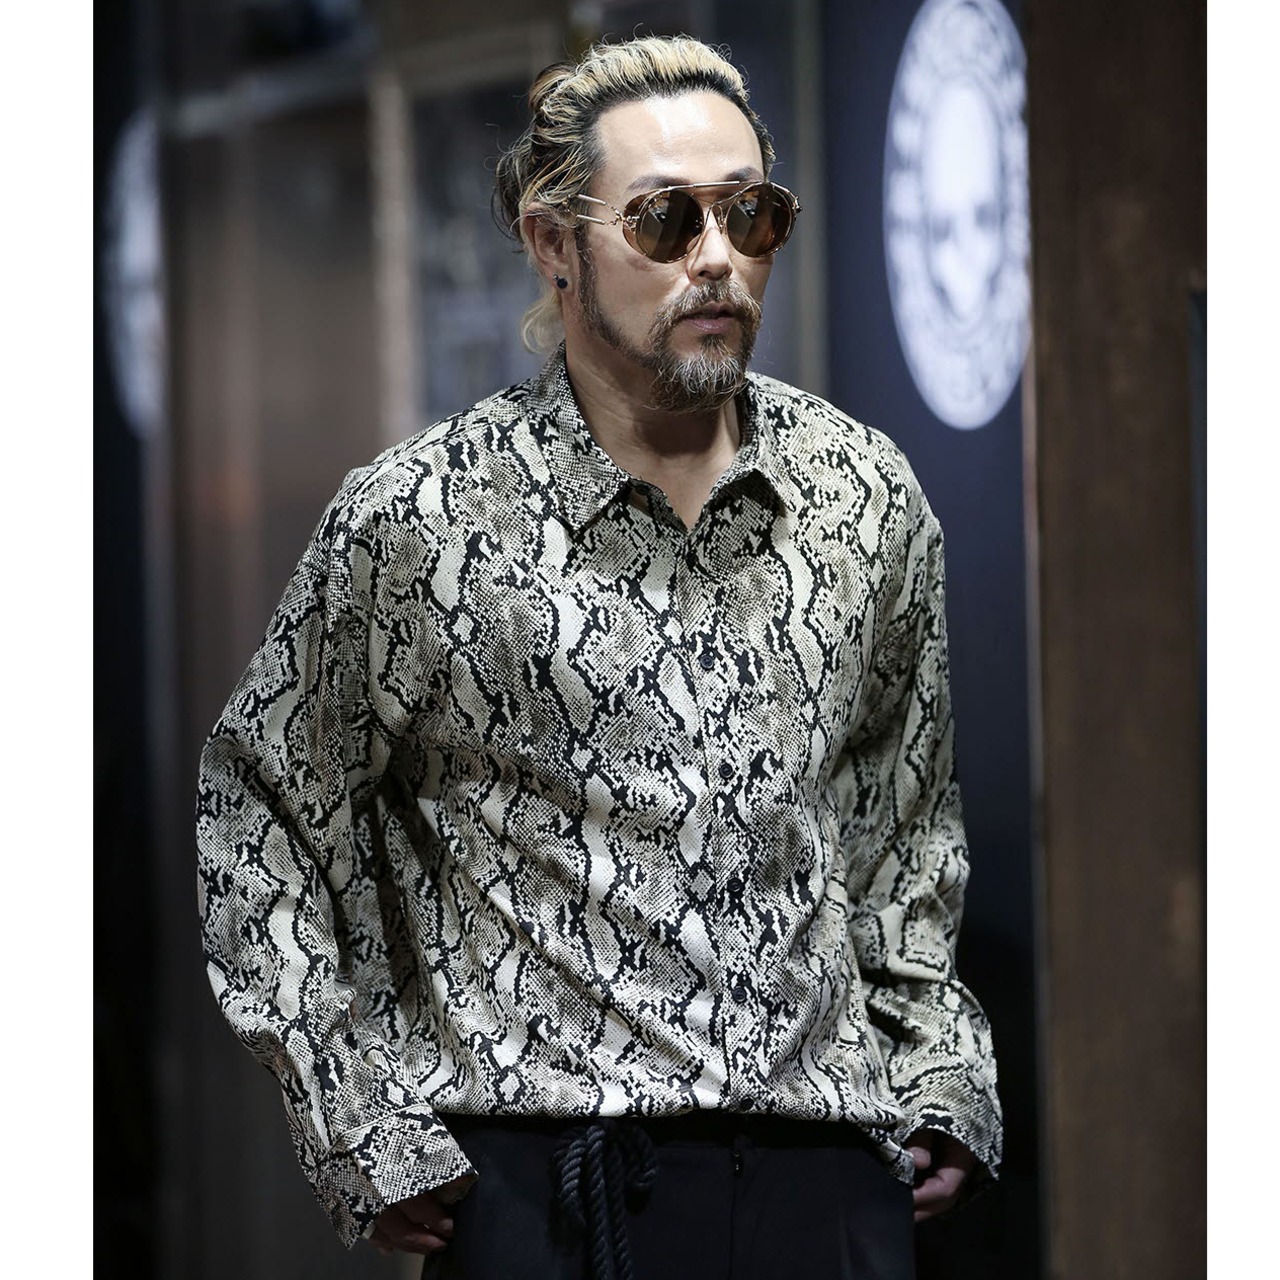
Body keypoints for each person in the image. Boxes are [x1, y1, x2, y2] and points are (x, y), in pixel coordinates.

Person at [196, 34, 1001, 1280]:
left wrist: (933, 1063)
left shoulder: (862, 495)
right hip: (552, 1190)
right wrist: (356, 1113)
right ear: (552, 243)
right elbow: (260, 811)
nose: (716, 256)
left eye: (750, 215)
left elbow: (902, 822)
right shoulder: (424, 518)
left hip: (826, 1184)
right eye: (665, 220)